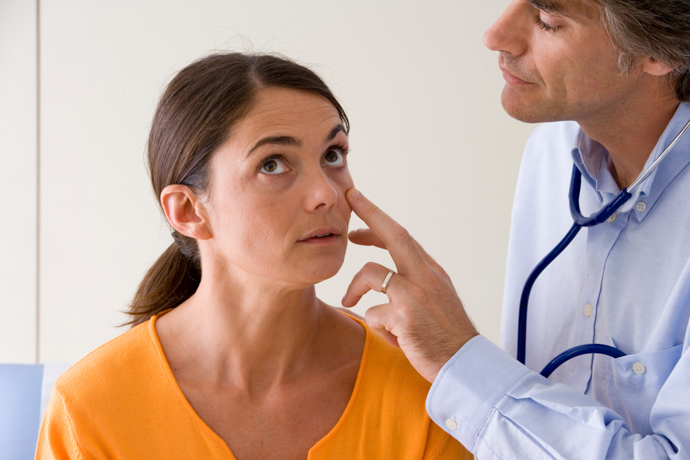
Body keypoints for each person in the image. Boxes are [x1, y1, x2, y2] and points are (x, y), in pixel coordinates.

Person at [35, 53, 470, 459]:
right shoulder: (91, 405)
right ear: (188, 211)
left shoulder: (425, 389)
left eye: (332, 155)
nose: (326, 194)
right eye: (273, 164)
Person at [341, 0, 690, 458]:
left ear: (658, 51)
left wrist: (457, 358)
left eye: (548, 21)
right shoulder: (551, 152)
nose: (495, 36)